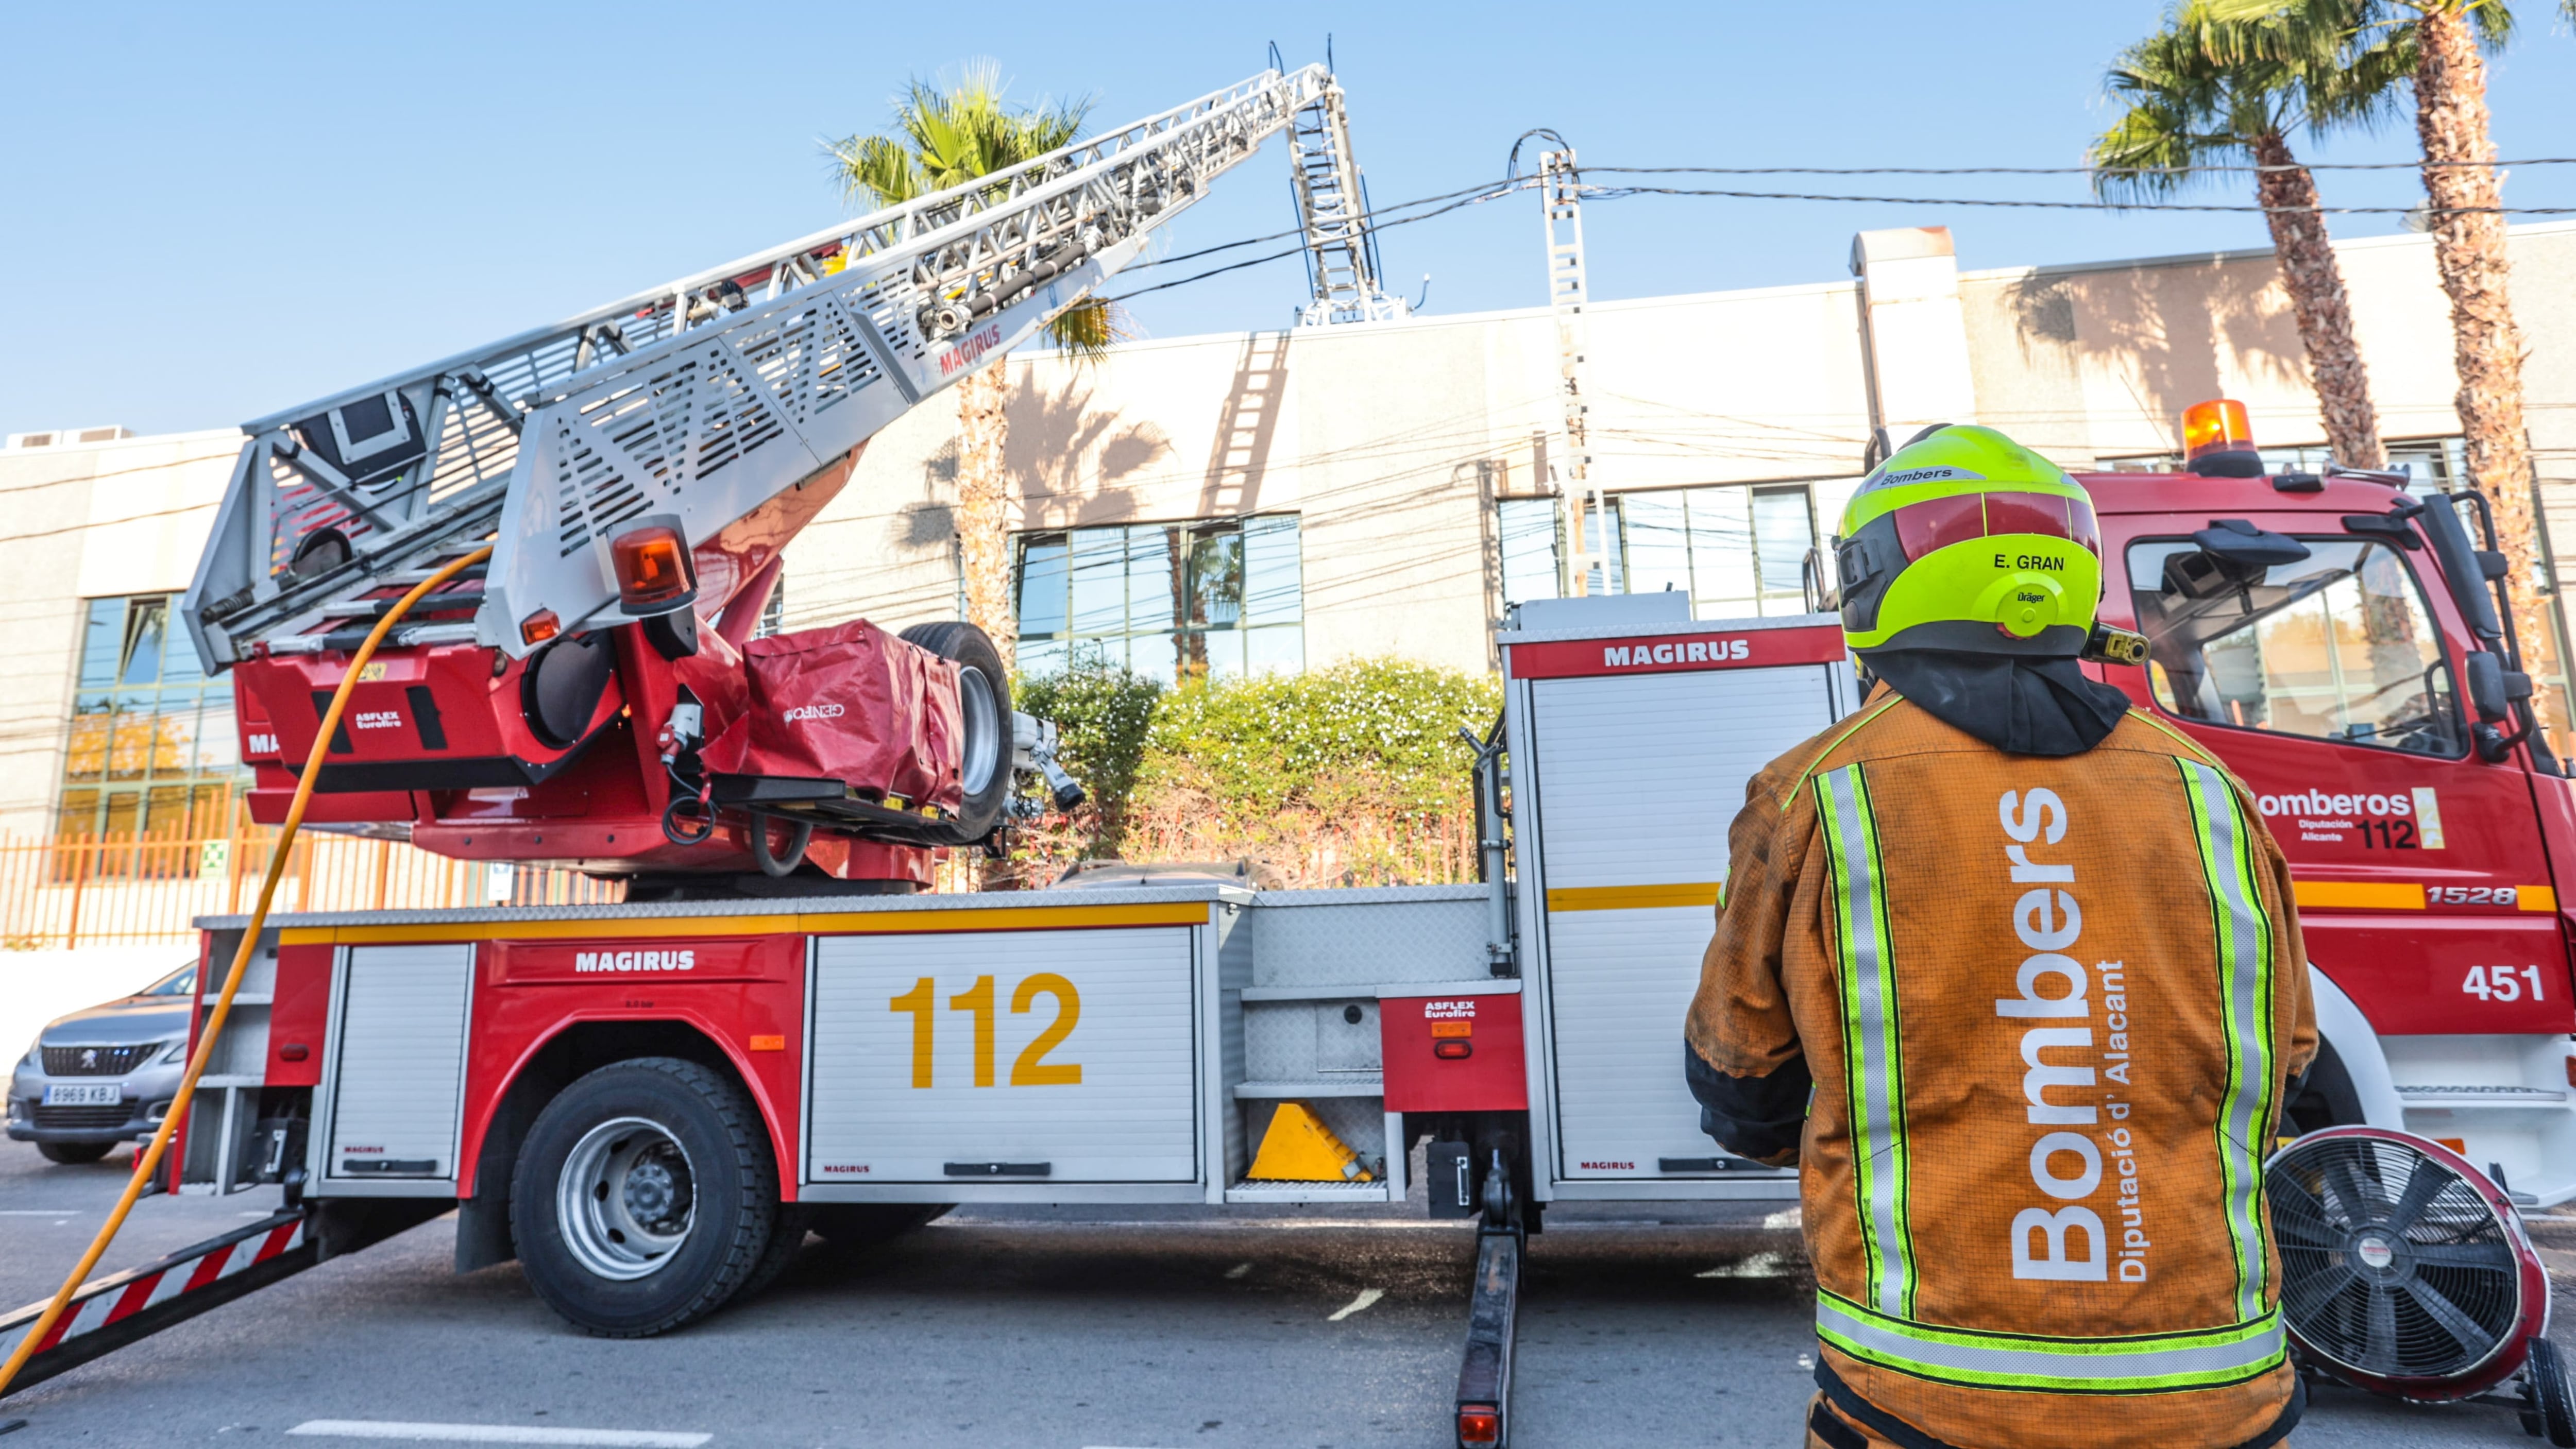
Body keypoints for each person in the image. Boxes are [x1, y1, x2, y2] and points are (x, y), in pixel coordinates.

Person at [1682, 424, 2314, 1449]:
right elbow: (2283, 1065)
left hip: (1926, 1398)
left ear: (1872, 579)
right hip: (2216, 1402)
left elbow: (1742, 1091)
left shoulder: (1814, 795)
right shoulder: (2208, 791)